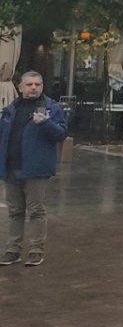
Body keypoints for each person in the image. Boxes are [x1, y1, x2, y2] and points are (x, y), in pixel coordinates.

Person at [1, 72, 66, 267]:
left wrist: (45, 123)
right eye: (29, 84)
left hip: (36, 169)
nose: (33, 87)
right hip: (11, 168)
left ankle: (36, 250)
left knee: (36, 211)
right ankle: (13, 250)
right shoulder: (10, 109)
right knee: (15, 212)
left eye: (37, 84)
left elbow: (61, 133)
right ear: (20, 87)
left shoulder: (51, 108)